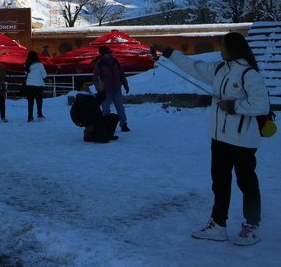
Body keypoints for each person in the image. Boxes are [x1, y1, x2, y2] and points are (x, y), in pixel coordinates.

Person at [154, 32, 270, 246]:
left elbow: (261, 105)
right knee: (220, 182)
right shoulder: (219, 69)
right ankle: (218, 225)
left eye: (223, 46)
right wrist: (167, 51)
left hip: (243, 141)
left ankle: (252, 226)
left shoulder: (249, 74)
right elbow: (192, 66)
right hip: (219, 138)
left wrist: (233, 106)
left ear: (233, 48)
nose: (220, 49)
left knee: (247, 183)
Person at [93, 46, 130, 132]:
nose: (110, 54)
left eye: (110, 52)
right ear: (102, 54)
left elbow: (121, 74)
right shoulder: (99, 64)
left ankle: (123, 124)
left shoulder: (115, 62)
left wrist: (125, 85)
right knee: (105, 109)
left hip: (117, 89)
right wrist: (98, 88)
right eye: (107, 53)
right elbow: (95, 77)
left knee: (120, 108)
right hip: (106, 91)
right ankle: (106, 125)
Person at [23, 51, 47, 122]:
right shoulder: (40, 65)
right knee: (39, 101)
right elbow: (44, 75)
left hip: (30, 85)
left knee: (30, 102)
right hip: (39, 85)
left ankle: (30, 117)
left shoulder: (26, 65)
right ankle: (39, 115)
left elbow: (26, 74)